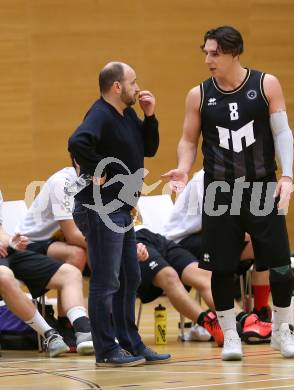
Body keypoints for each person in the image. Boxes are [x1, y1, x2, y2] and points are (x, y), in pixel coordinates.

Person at [163, 26, 294, 360]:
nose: (208, 59)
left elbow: (282, 132)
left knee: (281, 264)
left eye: (215, 53)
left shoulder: (265, 84)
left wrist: (288, 176)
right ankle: (230, 336)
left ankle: (282, 332)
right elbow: (188, 139)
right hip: (220, 191)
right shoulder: (198, 95)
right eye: (206, 53)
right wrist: (183, 166)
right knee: (221, 269)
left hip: (261, 187)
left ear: (234, 53)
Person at [68, 61, 171, 367]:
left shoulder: (126, 114)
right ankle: (106, 349)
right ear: (117, 86)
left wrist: (150, 116)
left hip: (122, 209)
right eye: (133, 82)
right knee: (106, 280)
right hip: (100, 208)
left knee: (130, 276)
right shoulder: (100, 114)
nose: (137, 87)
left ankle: (130, 343)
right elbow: (77, 142)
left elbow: (149, 148)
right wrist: (103, 169)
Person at [162, 169, 272, 343]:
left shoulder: (242, 177)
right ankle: (242, 320)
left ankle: (260, 313)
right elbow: (215, 224)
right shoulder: (206, 177)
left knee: (265, 245)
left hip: (213, 237)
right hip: (184, 240)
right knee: (255, 239)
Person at [0, 190, 94, 357]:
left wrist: (12, 241)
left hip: (7, 253)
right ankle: (50, 336)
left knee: (70, 273)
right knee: (3, 276)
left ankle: (83, 330)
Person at [134, 224, 224, 345]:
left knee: (201, 273)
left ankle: (241, 321)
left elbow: (136, 217)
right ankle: (210, 323)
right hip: (132, 240)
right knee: (169, 276)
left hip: (155, 236)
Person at [18, 166, 87, 272]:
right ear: (78, 162)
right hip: (30, 243)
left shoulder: (91, 180)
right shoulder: (62, 183)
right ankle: (72, 287)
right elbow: (72, 236)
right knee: (78, 254)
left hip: (56, 239)